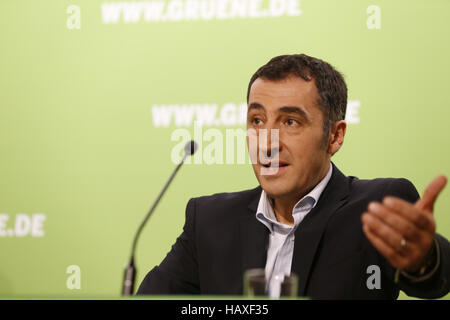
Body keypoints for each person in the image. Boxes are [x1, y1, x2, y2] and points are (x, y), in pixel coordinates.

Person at [137, 54, 450, 299]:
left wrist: (424, 260)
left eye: (290, 122)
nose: (268, 142)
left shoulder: (376, 207)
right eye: (257, 120)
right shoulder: (208, 220)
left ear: (334, 137)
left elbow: (437, 279)